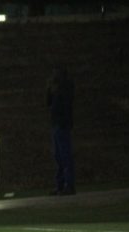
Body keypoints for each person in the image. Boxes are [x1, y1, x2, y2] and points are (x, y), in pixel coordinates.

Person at [47, 67, 75, 195]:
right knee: (59, 156)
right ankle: (61, 185)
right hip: (58, 125)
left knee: (64, 156)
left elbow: (61, 107)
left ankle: (68, 185)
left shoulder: (64, 90)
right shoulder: (57, 90)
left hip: (61, 125)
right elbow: (48, 103)